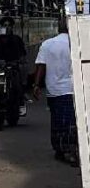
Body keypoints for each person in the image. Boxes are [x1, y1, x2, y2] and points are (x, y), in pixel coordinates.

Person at [33, 25, 77, 165]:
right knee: (70, 121)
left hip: (53, 89)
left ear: (58, 29)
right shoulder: (75, 42)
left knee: (56, 119)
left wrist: (36, 85)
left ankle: (59, 148)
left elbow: (41, 66)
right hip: (71, 88)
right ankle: (69, 150)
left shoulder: (47, 44)